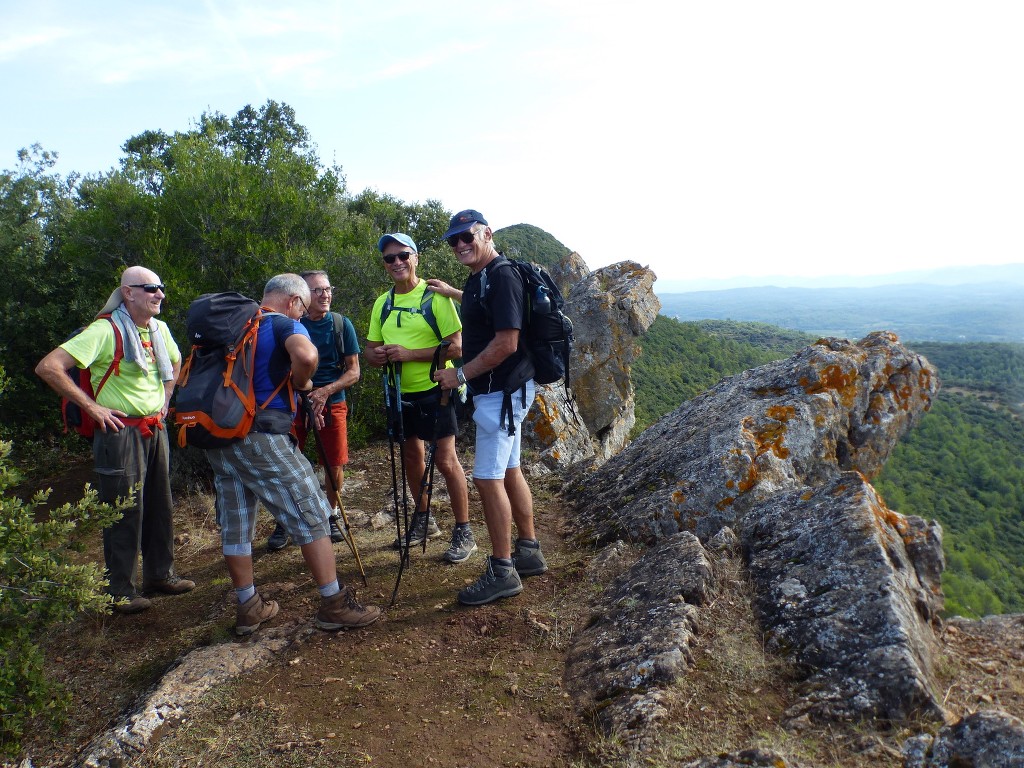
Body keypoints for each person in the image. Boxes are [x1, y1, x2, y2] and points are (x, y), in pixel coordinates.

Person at [204, 273, 380, 635]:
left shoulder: (235, 325)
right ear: (294, 301)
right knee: (313, 511)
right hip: (261, 435)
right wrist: (303, 382)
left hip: (217, 436)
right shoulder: (283, 323)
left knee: (236, 521)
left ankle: (248, 605)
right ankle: (334, 603)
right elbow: (306, 355)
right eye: (302, 306)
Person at [35, 266, 194, 614]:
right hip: (119, 432)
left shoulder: (159, 329)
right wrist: (92, 407)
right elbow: (49, 366)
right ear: (128, 292)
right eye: (151, 288)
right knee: (123, 509)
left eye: (161, 287)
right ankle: (120, 590)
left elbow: (176, 364)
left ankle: (160, 576)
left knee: (159, 504)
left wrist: (166, 401)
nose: (160, 294)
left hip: (155, 428)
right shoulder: (104, 331)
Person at [429, 210, 548, 606]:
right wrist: (451, 292)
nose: (461, 244)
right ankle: (528, 551)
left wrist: (459, 375)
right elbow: (485, 307)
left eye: (467, 236)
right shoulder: (481, 279)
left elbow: (505, 343)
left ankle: (502, 570)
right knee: (509, 469)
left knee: (486, 477)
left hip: (503, 391)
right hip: (502, 391)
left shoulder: (502, 274)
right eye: (454, 240)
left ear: (486, 234)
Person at [365, 233, 475, 563]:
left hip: (436, 390)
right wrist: (378, 356)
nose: (397, 262)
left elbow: (457, 346)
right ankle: (424, 522)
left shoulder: (434, 296)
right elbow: (369, 349)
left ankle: (464, 530)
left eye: (403, 256)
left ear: (415, 258)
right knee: (412, 458)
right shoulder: (382, 303)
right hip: (399, 393)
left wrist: (409, 354)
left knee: (445, 460)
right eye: (389, 258)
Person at [266, 269, 359, 551]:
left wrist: (325, 391)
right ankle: (285, 521)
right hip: (292, 402)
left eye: (328, 289)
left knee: (334, 462)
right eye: (317, 291)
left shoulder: (341, 325)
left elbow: (354, 371)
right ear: (303, 296)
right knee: (287, 461)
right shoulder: (288, 324)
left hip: (332, 401)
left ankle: (328, 515)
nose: (325, 295)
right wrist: (303, 392)